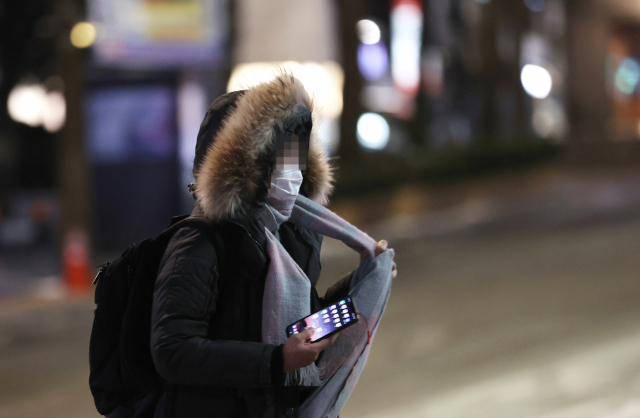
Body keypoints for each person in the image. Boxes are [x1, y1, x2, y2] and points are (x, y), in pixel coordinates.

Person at [149, 73, 396, 418]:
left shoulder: (294, 234)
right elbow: (172, 350)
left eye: (296, 158)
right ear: (248, 162)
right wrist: (277, 360)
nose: (291, 172)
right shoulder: (200, 241)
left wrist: (363, 283)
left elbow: (303, 330)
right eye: (281, 158)